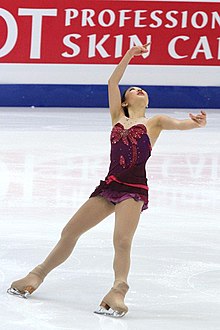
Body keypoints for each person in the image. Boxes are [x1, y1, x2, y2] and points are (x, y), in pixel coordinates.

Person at [7, 44, 207, 318]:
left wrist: (196, 123)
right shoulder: (117, 117)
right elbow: (113, 81)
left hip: (133, 189)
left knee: (122, 240)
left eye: (143, 90)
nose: (140, 90)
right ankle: (36, 275)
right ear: (124, 102)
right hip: (109, 187)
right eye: (133, 89)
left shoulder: (156, 122)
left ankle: (118, 291)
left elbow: (183, 124)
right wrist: (129, 55)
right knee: (69, 231)